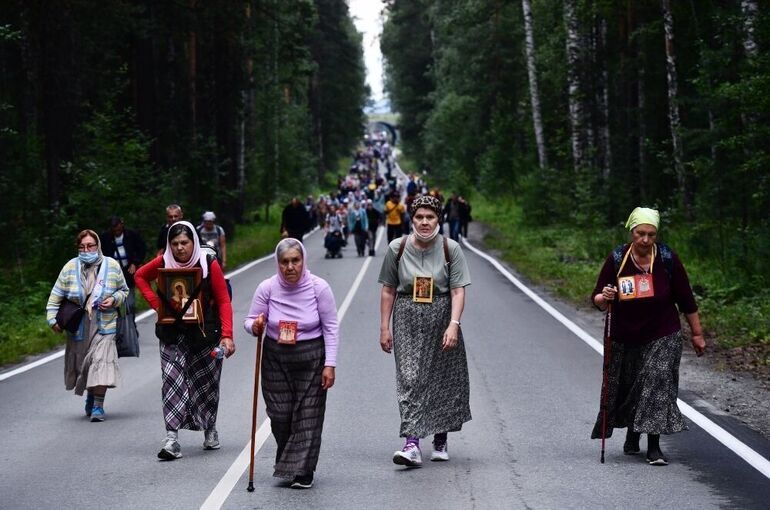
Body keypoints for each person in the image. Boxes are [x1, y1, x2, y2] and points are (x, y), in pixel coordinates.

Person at [591, 207, 705, 466]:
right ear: (631, 231)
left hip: (663, 332)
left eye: (651, 234)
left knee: (657, 383)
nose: (645, 240)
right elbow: (597, 299)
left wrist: (697, 334)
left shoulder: (666, 258)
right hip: (625, 334)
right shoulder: (618, 258)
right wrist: (604, 297)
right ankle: (633, 432)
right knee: (633, 386)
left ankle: (654, 447)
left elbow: (686, 299)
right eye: (640, 233)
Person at [378, 195, 472, 467]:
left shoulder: (449, 248)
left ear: (438, 219)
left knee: (442, 377)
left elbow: (457, 291)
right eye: (419, 217)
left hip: (441, 314)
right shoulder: (397, 247)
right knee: (410, 378)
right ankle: (412, 443)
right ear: (412, 218)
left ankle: (440, 438)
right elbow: (387, 290)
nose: (424, 222)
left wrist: (453, 324)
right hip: (407, 315)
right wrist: (384, 327)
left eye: (430, 217)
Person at [244, 238, 339, 489]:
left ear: (303, 261)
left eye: (295, 260)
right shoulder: (267, 287)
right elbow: (250, 320)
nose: (290, 267)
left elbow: (330, 327)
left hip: (311, 357)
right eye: (284, 262)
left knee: (308, 414)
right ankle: (290, 458)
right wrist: (255, 326)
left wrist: (329, 364)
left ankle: (303, 470)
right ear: (278, 264)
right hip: (276, 356)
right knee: (280, 414)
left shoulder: (319, 288)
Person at [135, 221, 235, 460]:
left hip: (204, 333)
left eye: (185, 243)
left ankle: (209, 429)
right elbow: (140, 276)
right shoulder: (162, 263)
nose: (180, 248)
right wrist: (157, 305)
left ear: (194, 243)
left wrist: (227, 335)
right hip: (172, 333)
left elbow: (223, 300)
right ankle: (171, 438)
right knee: (172, 381)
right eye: (175, 243)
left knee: (206, 383)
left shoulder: (208, 264)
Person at [46, 230, 129, 422]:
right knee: (86, 363)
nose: (86, 250)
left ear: (98, 245)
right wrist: (52, 320)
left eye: (90, 245)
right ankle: (91, 395)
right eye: (82, 247)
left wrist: (114, 300)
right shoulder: (70, 267)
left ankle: (98, 405)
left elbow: (123, 291)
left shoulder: (112, 265)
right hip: (80, 325)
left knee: (101, 360)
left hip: (105, 324)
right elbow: (55, 296)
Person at [101, 216, 146, 331]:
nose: (116, 230)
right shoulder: (105, 238)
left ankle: (131, 325)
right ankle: (118, 327)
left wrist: (135, 263)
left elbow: (141, 249)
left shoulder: (131, 235)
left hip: (128, 272)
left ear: (122, 224)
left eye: (118, 226)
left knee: (129, 303)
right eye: (114, 228)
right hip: (112, 274)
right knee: (113, 303)